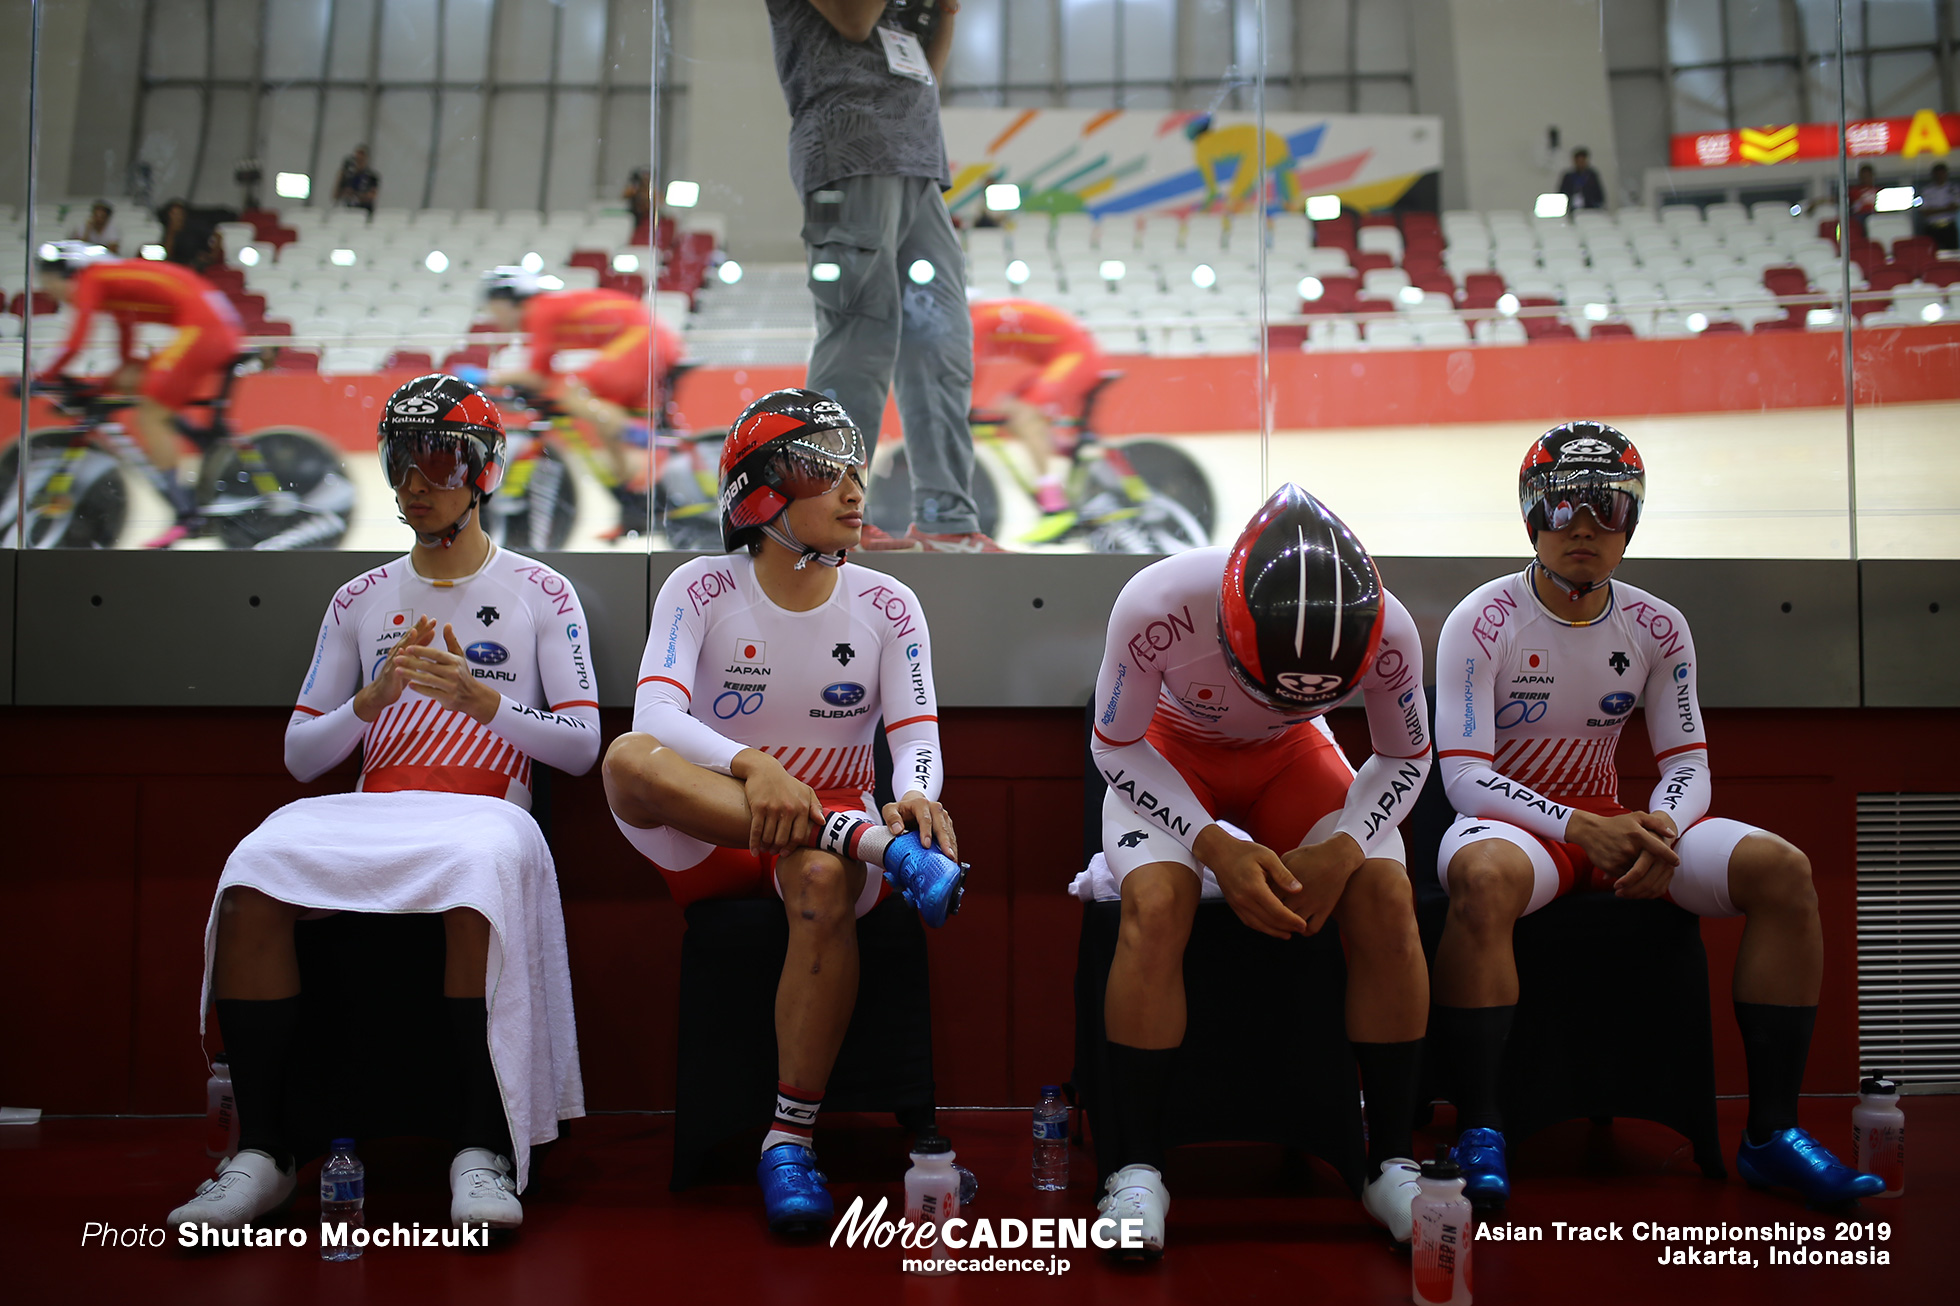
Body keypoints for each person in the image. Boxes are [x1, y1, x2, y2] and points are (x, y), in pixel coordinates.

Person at [164, 373, 600, 1237]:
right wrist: (370, 702)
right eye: (401, 463)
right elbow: (299, 756)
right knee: (253, 869)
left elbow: (583, 748)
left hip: (487, 808)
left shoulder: (542, 593)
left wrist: (487, 706)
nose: (413, 484)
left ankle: (481, 1147)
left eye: (436, 462)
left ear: (483, 473)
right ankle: (263, 1150)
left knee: (477, 873)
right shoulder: (360, 598)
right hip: (376, 804)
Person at [1429, 421, 1883, 1211]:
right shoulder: (1482, 620)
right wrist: (1578, 826)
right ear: (1531, 516)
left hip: (1619, 828)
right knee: (1480, 875)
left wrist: (1663, 829)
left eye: (1606, 508)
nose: (1582, 527)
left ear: (1631, 520)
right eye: (1562, 507)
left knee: (1783, 870)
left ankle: (1772, 1135)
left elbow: (1687, 765)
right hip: (1522, 832)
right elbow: (1464, 778)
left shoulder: (1658, 625)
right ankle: (1482, 1127)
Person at [603, 388, 967, 1236]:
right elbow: (653, 718)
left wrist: (916, 791)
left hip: (827, 845)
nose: (852, 491)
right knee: (626, 760)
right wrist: (751, 765)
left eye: (855, 470)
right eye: (822, 471)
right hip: (720, 822)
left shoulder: (888, 604)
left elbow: (917, 736)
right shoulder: (699, 587)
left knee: (817, 876)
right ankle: (860, 839)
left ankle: (787, 1143)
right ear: (762, 494)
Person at [1088, 484, 1434, 1258]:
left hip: (1291, 757)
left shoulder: (1392, 631)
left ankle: (1391, 1160)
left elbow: (1407, 756)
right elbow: (1113, 744)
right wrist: (1213, 843)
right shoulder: (1158, 602)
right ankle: (1135, 1169)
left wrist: (1346, 848)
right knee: (1155, 904)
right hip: (1167, 752)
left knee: (1384, 892)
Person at [765, 0, 1000, 552]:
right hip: (843, 157)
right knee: (858, 334)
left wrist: (944, 11)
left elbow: (924, 73)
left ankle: (948, 520)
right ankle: (828, 511)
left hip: (918, 164)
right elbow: (853, 20)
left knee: (942, 344)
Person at [33, 240, 243, 548]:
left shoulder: (93, 278)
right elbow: (126, 339)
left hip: (205, 328)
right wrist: (105, 385)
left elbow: (75, 341)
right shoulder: (111, 283)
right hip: (210, 323)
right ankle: (200, 439)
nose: (47, 292)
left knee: (150, 417)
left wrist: (44, 377)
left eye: (48, 283)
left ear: (66, 275)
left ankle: (186, 514)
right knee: (130, 379)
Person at [478, 266, 681, 539]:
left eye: (494, 308)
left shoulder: (540, 310)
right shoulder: (544, 309)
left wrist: (487, 376)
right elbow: (546, 375)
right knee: (598, 421)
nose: (492, 316)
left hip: (643, 340)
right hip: (648, 340)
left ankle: (642, 437)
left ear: (509, 302)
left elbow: (538, 376)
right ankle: (634, 503)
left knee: (572, 394)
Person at [968, 297, 1104, 542]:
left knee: (1024, 415)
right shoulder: (984, 313)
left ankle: (1054, 507)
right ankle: (1060, 450)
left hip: (1076, 355)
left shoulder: (975, 320)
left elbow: (968, 369)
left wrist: (959, 406)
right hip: (1067, 353)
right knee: (1007, 410)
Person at [1916, 161, 1959, 250]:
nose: (1940, 176)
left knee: (1952, 253)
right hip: (1932, 228)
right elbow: (1924, 211)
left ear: (1946, 174)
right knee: (1932, 253)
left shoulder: (1954, 189)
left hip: (1948, 227)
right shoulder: (1926, 191)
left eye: (1942, 173)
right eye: (1937, 174)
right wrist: (1946, 208)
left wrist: (1934, 210)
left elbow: (1955, 207)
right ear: (1933, 175)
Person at [334, 145, 380, 214]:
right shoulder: (348, 176)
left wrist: (355, 194)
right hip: (347, 210)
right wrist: (340, 176)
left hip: (364, 212)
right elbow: (335, 195)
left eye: (361, 158)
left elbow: (372, 196)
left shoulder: (371, 176)